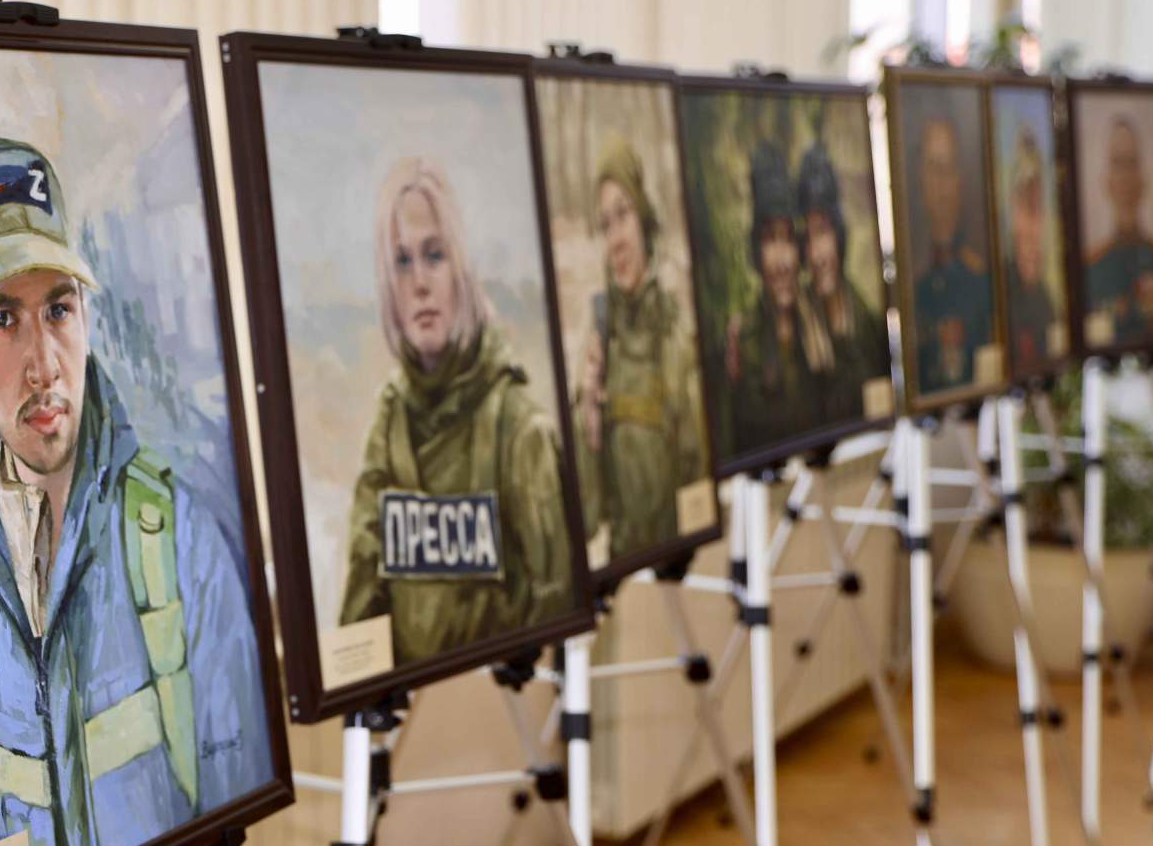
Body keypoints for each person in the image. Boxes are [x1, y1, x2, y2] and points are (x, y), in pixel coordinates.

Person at [0, 136, 272, 846]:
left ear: (87, 314)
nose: (43, 363)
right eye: (3, 319)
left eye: (59, 309)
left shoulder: (177, 542)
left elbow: (238, 780)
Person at [339, 157, 573, 663]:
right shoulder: (389, 425)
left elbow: (555, 612)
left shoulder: (519, 428)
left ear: (461, 269)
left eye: (434, 255)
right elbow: (362, 596)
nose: (420, 283)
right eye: (402, 262)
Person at [571, 139, 708, 564]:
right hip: (624, 566)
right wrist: (587, 411)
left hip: (680, 559)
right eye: (605, 224)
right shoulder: (598, 335)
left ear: (644, 220)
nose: (615, 240)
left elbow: (698, 471)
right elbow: (588, 514)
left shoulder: (675, 329)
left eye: (623, 215)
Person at [723, 142, 817, 457]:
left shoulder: (817, 328)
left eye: (789, 239)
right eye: (770, 240)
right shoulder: (744, 338)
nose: (783, 261)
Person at [795, 142, 886, 420]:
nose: (817, 255)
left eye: (822, 232)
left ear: (839, 235)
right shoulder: (796, 323)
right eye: (807, 238)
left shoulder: (868, 324)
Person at [909, 114, 994, 394]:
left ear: (960, 179)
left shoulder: (981, 277)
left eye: (949, 169)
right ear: (921, 178)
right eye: (934, 168)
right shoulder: (912, 280)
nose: (942, 184)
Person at [1083, 114, 1153, 345]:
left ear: (1142, 178)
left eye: (1131, 163)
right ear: (1106, 180)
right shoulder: (1092, 267)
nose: (1125, 177)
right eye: (1117, 164)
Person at [1002, 123, 1064, 375]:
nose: (1032, 227)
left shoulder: (1046, 300)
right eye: (1025, 206)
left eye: (1037, 207)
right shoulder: (1002, 292)